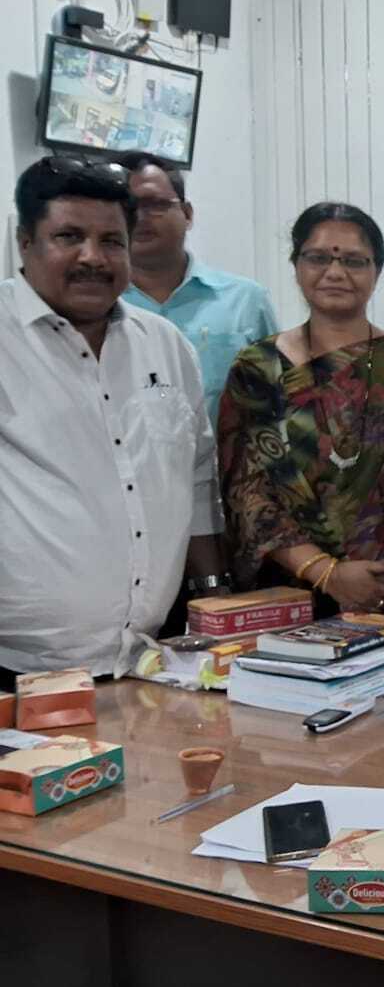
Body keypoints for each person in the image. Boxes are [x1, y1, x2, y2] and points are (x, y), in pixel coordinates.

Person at [0, 156, 225, 683]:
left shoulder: (166, 345)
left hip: (149, 658)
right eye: (69, 237)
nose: (92, 258)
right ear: (25, 242)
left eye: (111, 241)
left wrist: (213, 592)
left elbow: (194, 480)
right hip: (16, 672)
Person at [218, 203, 384, 615]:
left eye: (354, 260)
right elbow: (246, 490)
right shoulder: (257, 368)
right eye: (318, 258)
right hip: (284, 592)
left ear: (377, 271)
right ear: (296, 265)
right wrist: (326, 573)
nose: (335, 272)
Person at [117, 152, 276, 423]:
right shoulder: (97, 310)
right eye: (126, 207)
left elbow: (278, 398)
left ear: (187, 214)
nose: (140, 217)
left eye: (155, 204)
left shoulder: (246, 301)